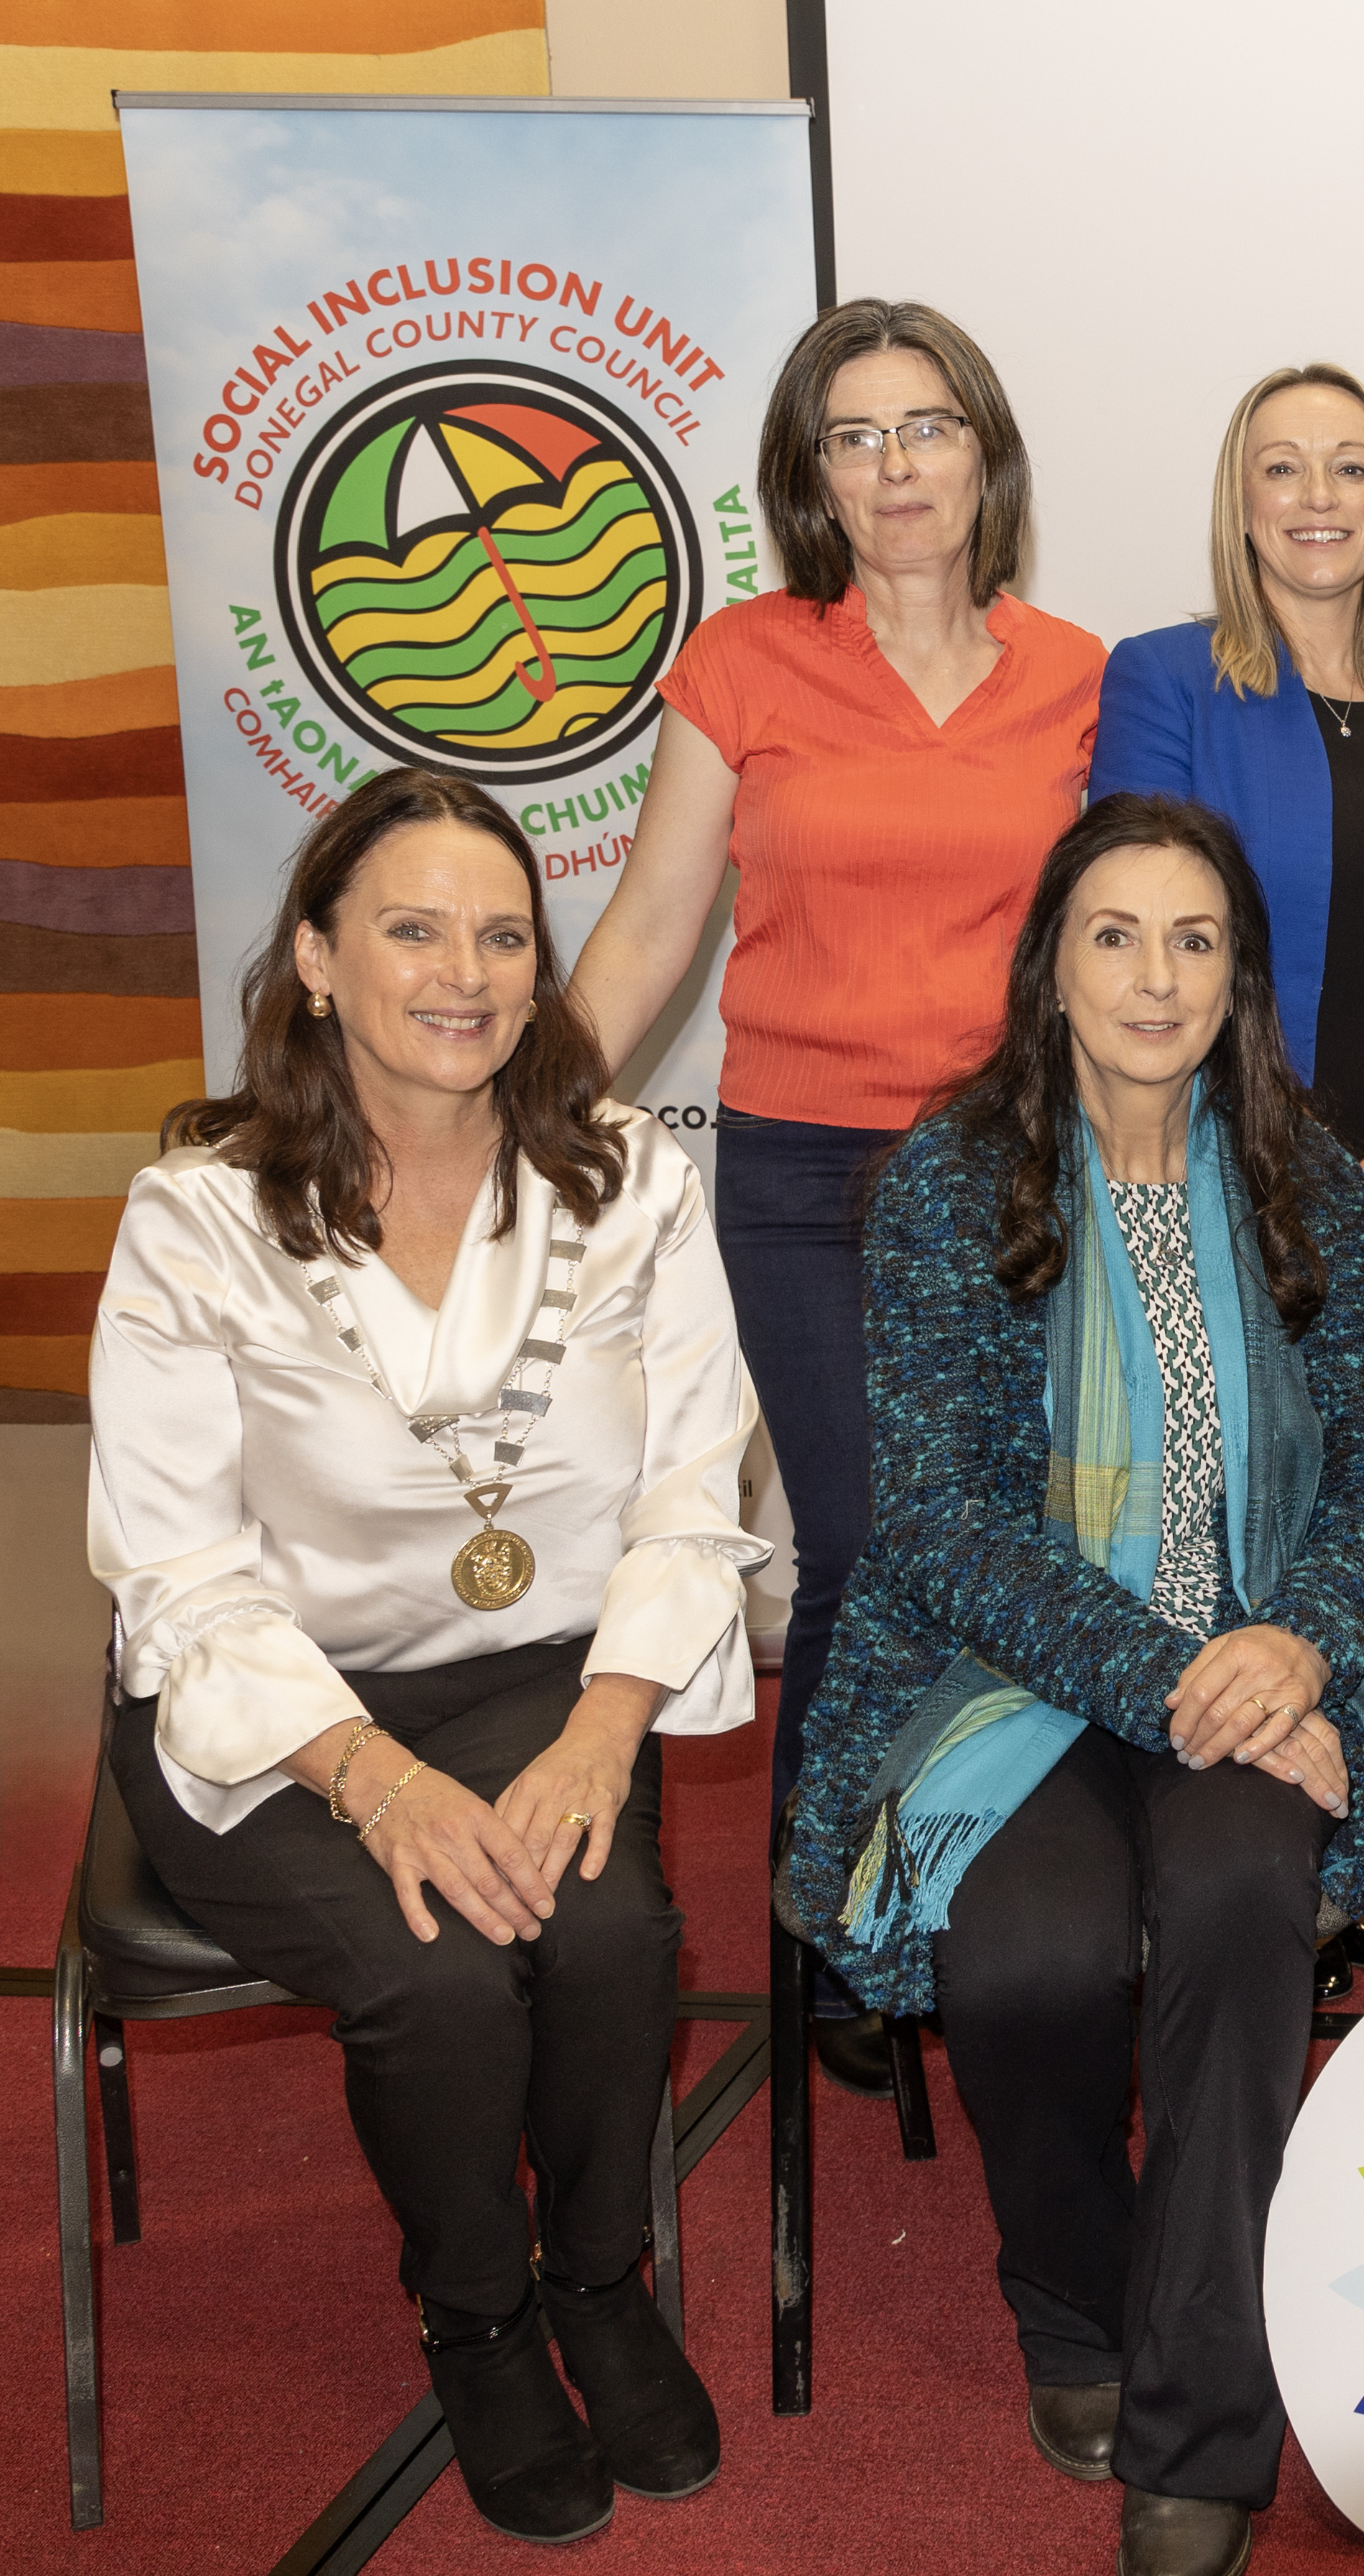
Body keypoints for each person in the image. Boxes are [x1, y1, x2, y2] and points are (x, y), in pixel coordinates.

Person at [86, 770, 763, 2544]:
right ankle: (476, 2316)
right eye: (409, 929)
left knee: (611, 1927)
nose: (461, 973)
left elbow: (697, 1495)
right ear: (315, 956)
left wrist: (605, 1735)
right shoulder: (197, 1220)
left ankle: (600, 2274)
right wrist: (375, 1782)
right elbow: (178, 1570)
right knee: (443, 1975)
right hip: (278, 1708)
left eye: (500, 934)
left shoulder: (634, 1190)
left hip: (549, 1671)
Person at [780, 793, 1364, 2576]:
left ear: (1242, 978)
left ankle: (1201, 2427)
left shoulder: (1301, 1176)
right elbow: (932, 1520)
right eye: (1117, 936)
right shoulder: (947, 1182)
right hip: (1003, 1677)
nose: (1157, 977)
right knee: (1034, 1953)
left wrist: (1293, 1647)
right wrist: (1184, 1683)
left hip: (1260, 1665)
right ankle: (1074, 2307)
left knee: (1238, 1901)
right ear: (1050, 968)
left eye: (1197, 940)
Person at [568, 299, 1107, 2092]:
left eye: (926, 427)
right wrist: (504, 1126)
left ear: (985, 454)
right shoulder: (745, 663)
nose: (895, 467)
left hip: (1021, 1175)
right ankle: (831, 1920)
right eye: (854, 437)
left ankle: (998, 1893)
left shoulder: (1079, 675)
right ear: (812, 476)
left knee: (1023, 1550)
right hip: (801, 1178)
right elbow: (651, 933)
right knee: (870, 1552)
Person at [1093, 363, 1364, 1551]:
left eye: (1348, 465)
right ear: (1240, 502)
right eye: (1280, 466)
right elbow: (1131, 946)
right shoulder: (1166, 680)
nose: (1315, 493)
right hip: (1227, 1175)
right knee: (1256, 1530)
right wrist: (1261, 1164)